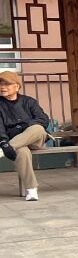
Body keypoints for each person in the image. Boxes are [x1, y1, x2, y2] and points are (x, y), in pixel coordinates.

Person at [0, 70, 51, 201]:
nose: (2, 87)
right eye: (0, 84)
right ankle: (31, 189)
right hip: (14, 141)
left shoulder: (29, 101)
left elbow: (43, 119)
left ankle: (2, 151)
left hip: (34, 139)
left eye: (7, 84)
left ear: (17, 86)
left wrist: (22, 126)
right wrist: (3, 141)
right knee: (22, 152)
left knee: (38, 128)